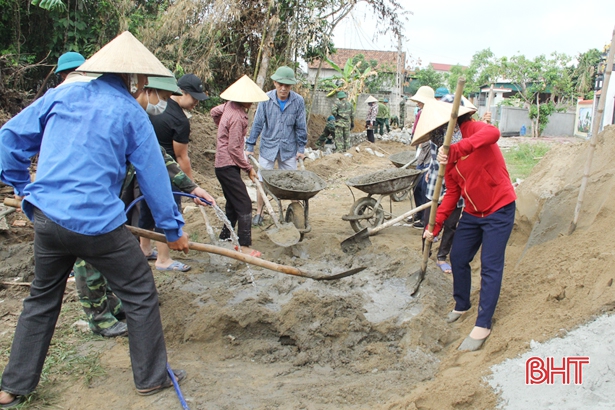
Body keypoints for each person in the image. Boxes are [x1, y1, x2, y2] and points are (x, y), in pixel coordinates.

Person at [0, 31, 189, 407]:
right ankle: (151, 378)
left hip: (47, 219)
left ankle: (12, 387)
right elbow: (153, 178)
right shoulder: (132, 114)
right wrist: (172, 230)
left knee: (41, 298)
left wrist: (22, 183)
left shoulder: (61, 94)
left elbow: (8, 137)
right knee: (138, 290)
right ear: (134, 79)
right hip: (96, 225)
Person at [420, 99, 517, 352]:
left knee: (490, 266)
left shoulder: (473, 130)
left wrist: (458, 148)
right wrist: (436, 224)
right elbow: (452, 192)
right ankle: (462, 304)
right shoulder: (446, 155)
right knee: (459, 256)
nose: (437, 137)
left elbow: (493, 133)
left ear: (450, 125)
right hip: (473, 213)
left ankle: (483, 324)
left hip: (499, 208)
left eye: (438, 131)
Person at [143, 73, 208, 271]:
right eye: (194, 97)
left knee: (145, 212)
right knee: (166, 210)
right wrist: (191, 186)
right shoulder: (179, 120)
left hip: (142, 170)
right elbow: (181, 157)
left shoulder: (148, 110)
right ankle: (163, 259)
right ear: (182, 92)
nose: (196, 102)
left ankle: (144, 250)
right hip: (166, 173)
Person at [211, 75, 267, 257]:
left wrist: (222, 130)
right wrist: (248, 168)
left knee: (232, 203)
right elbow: (234, 149)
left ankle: (225, 237)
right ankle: (244, 246)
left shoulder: (228, 106)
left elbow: (214, 112)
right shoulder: (238, 117)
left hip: (222, 164)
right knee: (243, 204)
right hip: (228, 164)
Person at [245, 65, 307, 226]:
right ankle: (259, 212)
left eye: (287, 85)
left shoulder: (298, 101)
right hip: (268, 147)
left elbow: (301, 126)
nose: (283, 88)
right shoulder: (266, 99)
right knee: (262, 180)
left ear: (291, 85)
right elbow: (258, 124)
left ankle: (296, 211)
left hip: (288, 148)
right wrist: (250, 146)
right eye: (280, 84)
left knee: (292, 182)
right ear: (274, 83)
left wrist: (301, 149)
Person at [408, 86, 435, 228]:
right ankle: (418, 213)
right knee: (417, 184)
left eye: (420, 101)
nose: (418, 103)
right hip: (422, 151)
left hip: (432, 151)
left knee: (426, 186)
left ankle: (426, 218)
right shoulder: (420, 113)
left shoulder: (435, 114)